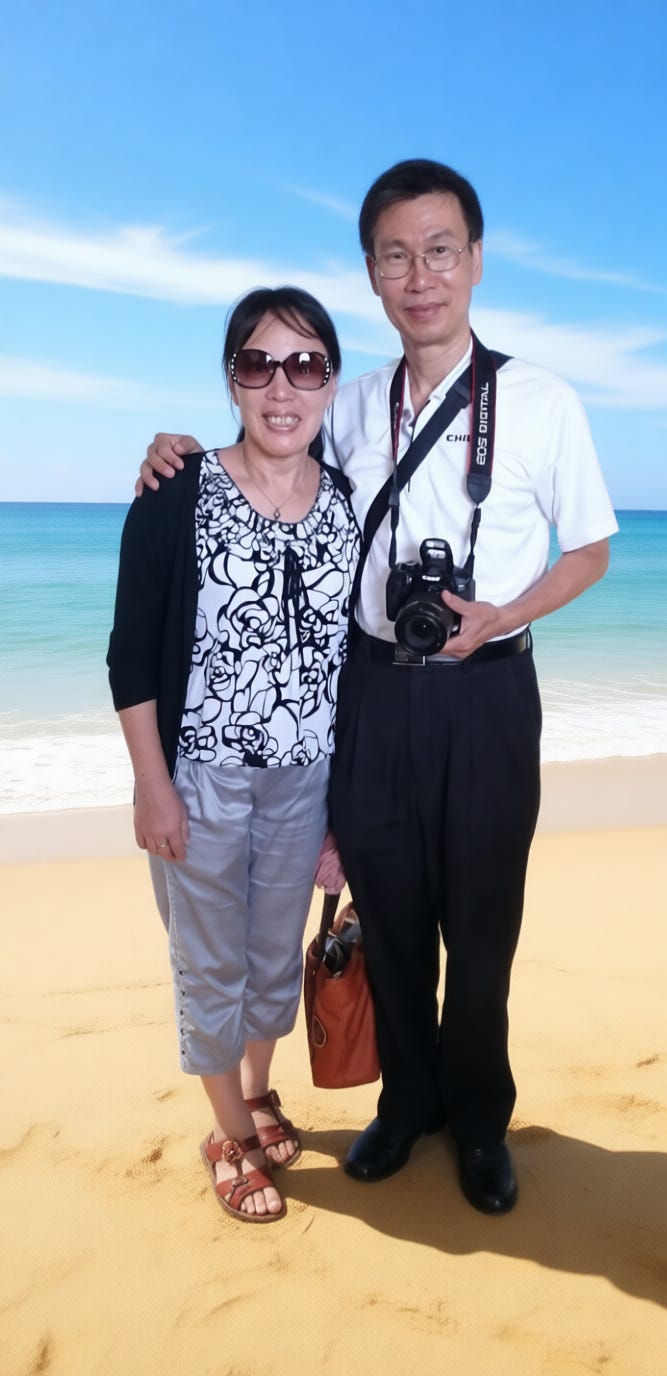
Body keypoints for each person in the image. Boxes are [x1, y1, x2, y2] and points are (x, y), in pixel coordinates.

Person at [138, 159, 618, 1215]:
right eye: (396, 256)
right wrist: (172, 452)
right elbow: (261, 454)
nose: (420, 275)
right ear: (371, 272)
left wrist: (505, 611)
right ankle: (406, 1103)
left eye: (440, 250)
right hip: (371, 693)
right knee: (389, 911)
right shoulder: (347, 402)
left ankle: (479, 1119)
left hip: (489, 692)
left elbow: (590, 549)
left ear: (476, 260)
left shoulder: (541, 399)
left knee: (482, 925)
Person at [108, 286, 359, 1222]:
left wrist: (346, 804)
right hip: (202, 777)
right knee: (210, 961)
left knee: (270, 956)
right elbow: (130, 654)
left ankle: (255, 1091)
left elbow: (354, 660)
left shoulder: (350, 503)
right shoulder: (176, 493)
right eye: (258, 364)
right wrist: (153, 787)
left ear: (330, 383)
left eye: (305, 365)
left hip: (305, 781)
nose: (281, 387)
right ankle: (228, 1135)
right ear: (232, 379)